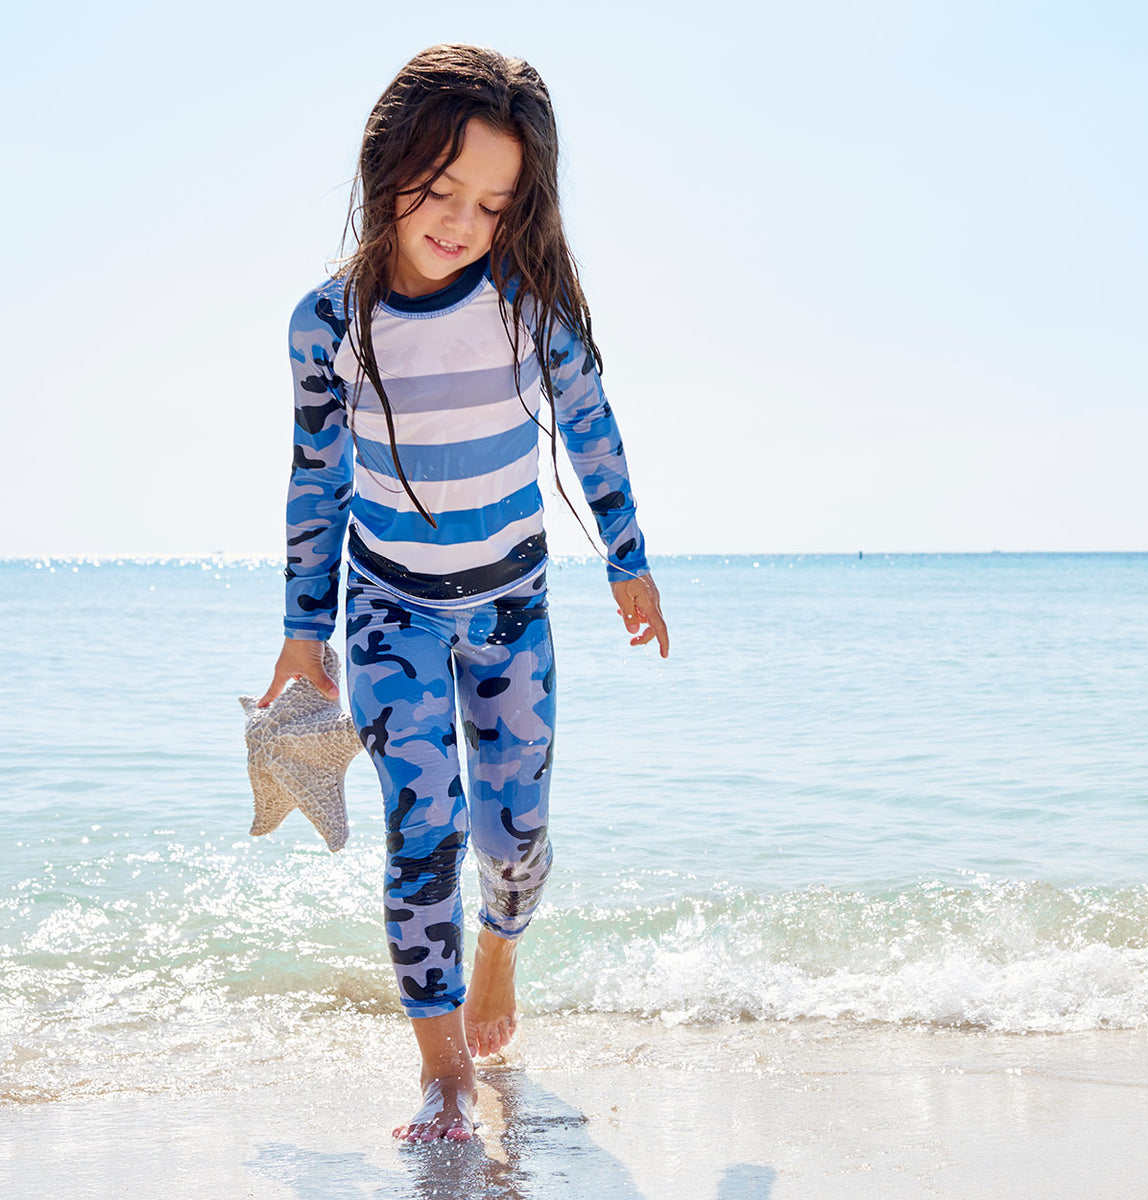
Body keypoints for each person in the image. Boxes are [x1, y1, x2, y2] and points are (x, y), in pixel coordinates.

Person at [256, 44, 668, 1143]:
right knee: (422, 829)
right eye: (442, 191)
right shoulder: (329, 325)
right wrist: (304, 635)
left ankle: (500, 954)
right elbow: (316, 480)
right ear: (387, 165)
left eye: (493, 204)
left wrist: (628, 559)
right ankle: (442, 1072)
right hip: (387, 606)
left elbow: (590, 426)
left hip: (511, 605)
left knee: (515, 830)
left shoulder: (528, 308)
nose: (462, 222)